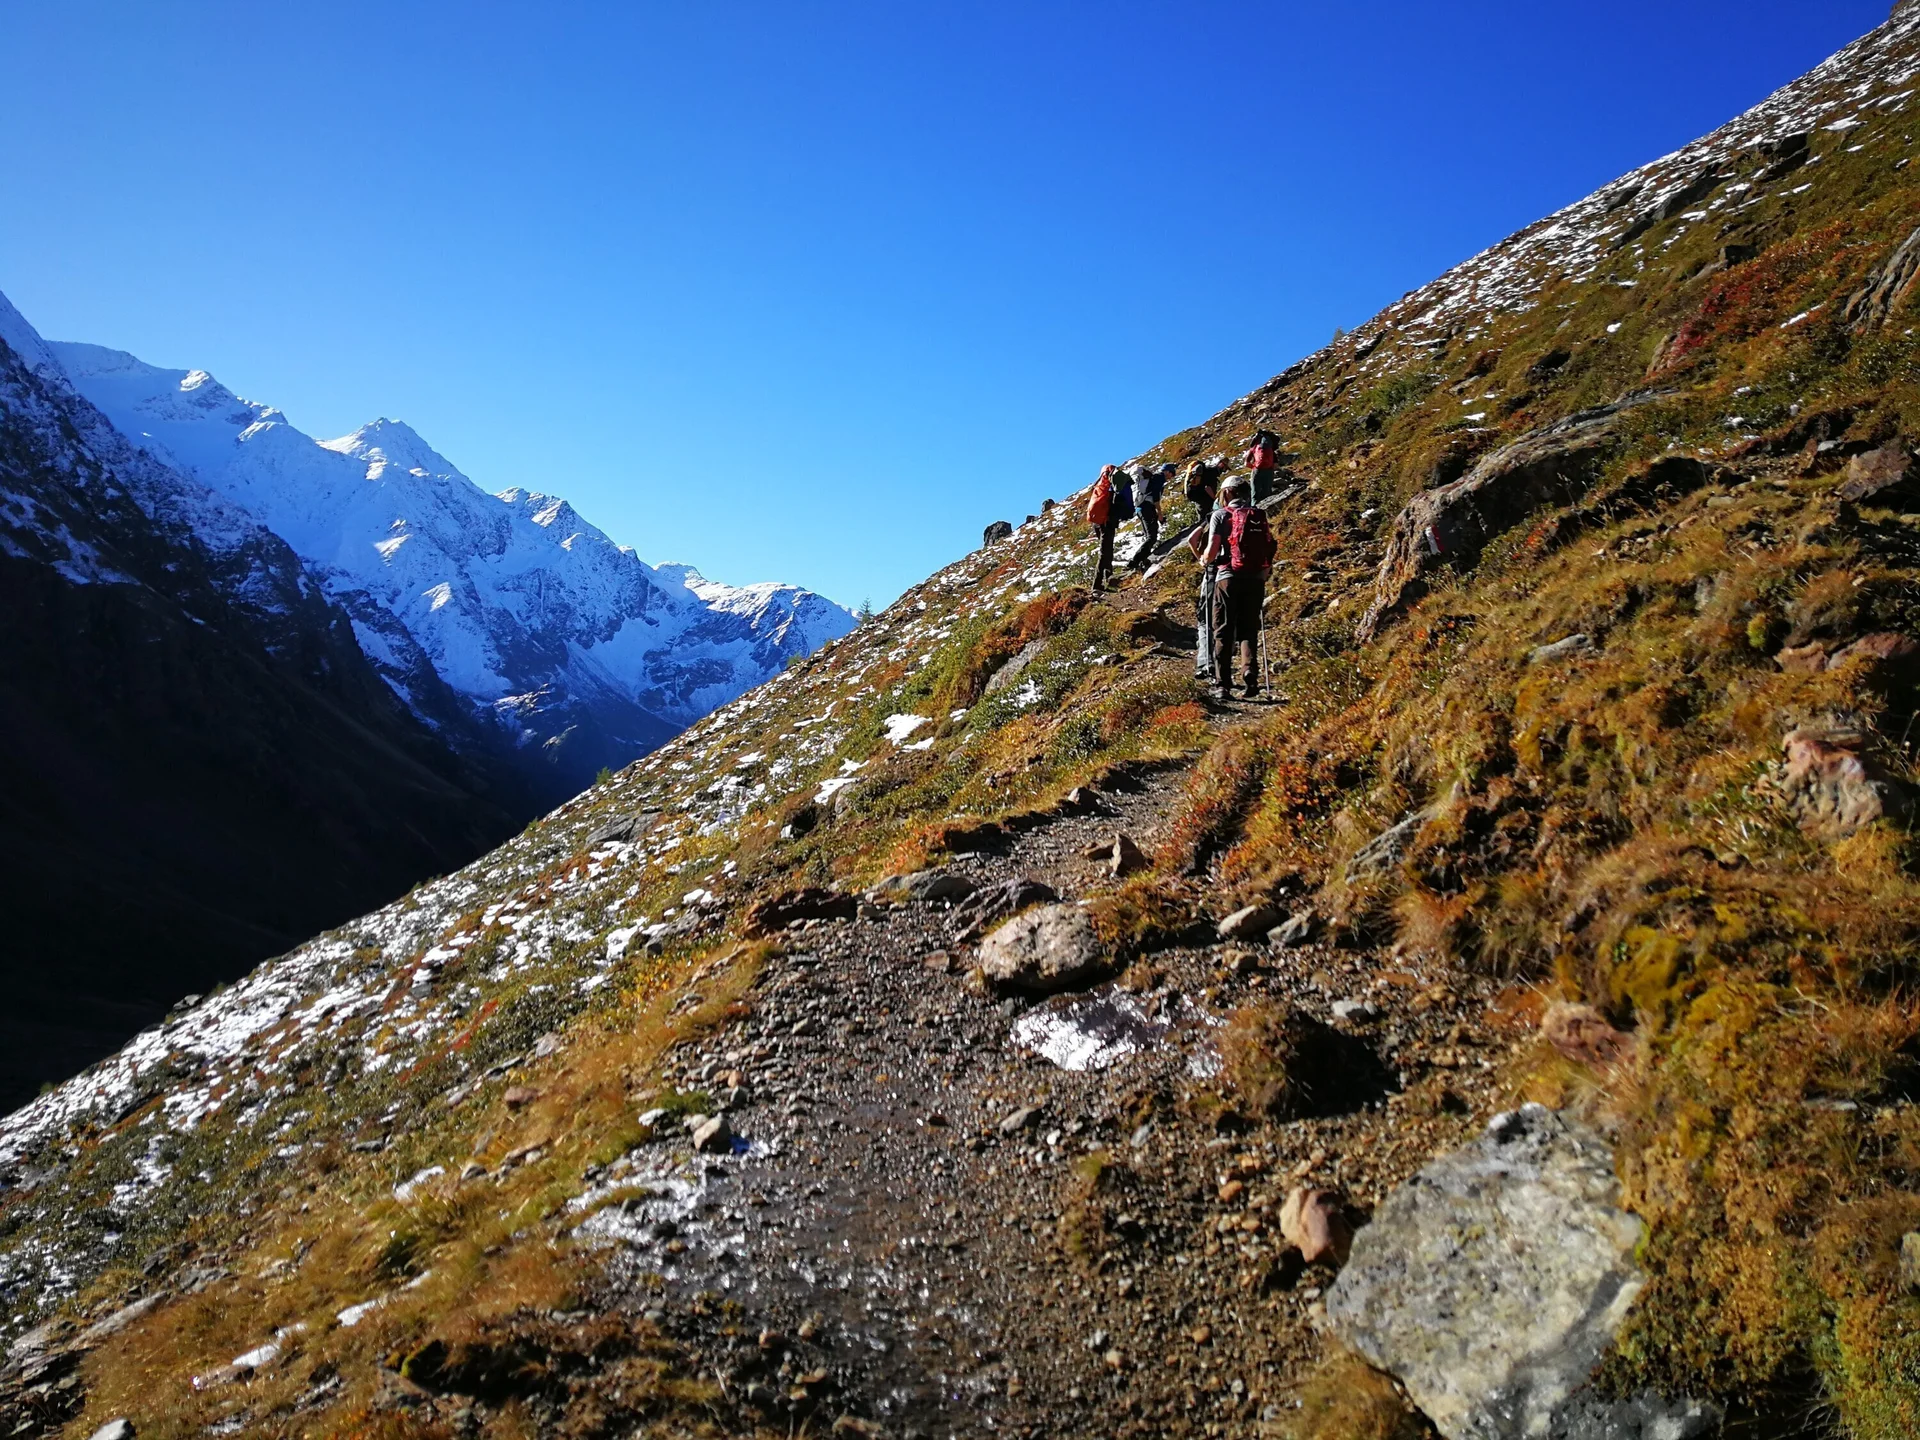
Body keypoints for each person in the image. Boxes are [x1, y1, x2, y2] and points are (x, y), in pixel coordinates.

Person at [1199, 476, 1276, 698]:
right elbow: (1268, 545)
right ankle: (1250, 673)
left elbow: (1213, 548)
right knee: (1248, 629)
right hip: (1255, 578)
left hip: (1227, 577)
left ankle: (1223, 684)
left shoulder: (1220, 515)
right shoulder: (1258, 515)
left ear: (1228, 493)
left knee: (1222, 629)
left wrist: (1205, 559)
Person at [1184, 459, 1226, 680]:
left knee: (1205, 617)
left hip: (1213, 570)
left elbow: (1193, 540)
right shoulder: (1242, 514)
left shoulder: (1215, 516)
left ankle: (1206, 663)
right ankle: (1236, 669)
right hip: (1240, 571)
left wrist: (1202, 559)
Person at [1126, 462, 1173, 573]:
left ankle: (1142, 561)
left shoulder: (1152, 478)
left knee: (1149, 536)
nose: (1172, 476)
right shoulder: (1159, 478)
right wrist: (1159, 513)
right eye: (1172, 473)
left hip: (1140, 508)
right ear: (1167, 471)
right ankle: (1134, 562)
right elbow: (1155, 496)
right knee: (1152, 537)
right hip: (1147, 507)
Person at [1087, 464, 1122, 592]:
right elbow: (1115, 503)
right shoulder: (1111, 485)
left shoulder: (1098, 485)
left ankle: (1109, 578)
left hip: (1097, 522)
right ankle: (1097, 584)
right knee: (1105, 552)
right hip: (1107, 522)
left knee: (1106, 550)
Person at [1245, 428, 1282, 503]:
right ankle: (1267, 510)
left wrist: (1254, 467)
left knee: (1255, 493)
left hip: (1257, 471)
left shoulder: (1254, 447)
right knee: (1267, 492)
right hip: (1269, 471)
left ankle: (1254, 510)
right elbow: (1276, 465)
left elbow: (1246, 463)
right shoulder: (1271, 449)